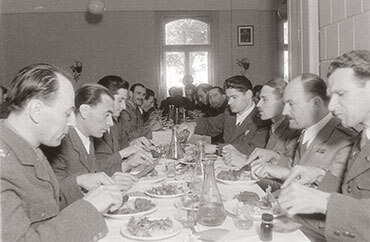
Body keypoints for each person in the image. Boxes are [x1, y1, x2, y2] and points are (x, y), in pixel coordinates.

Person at [1, 63, 123, 241]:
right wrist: (89, 207)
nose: (73, 122)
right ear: (36, 110)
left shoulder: (29, 147)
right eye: (67, 114)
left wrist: (79, 182)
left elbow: (48, 206)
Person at [278, 50, 370, 242]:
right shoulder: (363, 137)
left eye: (341, 94)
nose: (332, 105)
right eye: (331, 95)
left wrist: (325, 202)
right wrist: (319, 176)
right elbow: (355, 196)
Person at [44, 84, 152, 201]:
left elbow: (94, 171)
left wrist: (127, 165)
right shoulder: (61, 140)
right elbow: (50, 192)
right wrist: (81, 182)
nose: (110, 123)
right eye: (106, 115)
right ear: (85, 111)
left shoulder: (87, 136)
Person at [251, 73, 356, 187]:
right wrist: (275, 158)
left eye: (291, 104)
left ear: (316, 104)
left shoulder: (345, 140)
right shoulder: (307, 132)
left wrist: (287, 174)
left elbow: (337, 193)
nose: (285, 112)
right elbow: (299, 166)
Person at [225, 77, 300, 190]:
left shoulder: (294, 129)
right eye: (259, 99)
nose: (259, 104)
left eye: (264, 99)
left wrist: (247, 164)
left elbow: (290, 180)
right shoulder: (274, 126)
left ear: (283, 102)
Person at [179, 75, 270, 156]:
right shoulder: (230, 114)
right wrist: (193, 124)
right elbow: (209, 124)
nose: (229, 102)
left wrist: (216, 149)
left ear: (248, 94)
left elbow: (253, 150)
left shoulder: (262, 119)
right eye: (228, 98)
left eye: (234, 97)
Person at [95, 75, 153, 169]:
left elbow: (118, 147)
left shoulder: (114, 122)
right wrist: (125, 158)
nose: (124, 107)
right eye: (120, 100)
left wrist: (132, 144)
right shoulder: (95, 127)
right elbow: (96, 167)